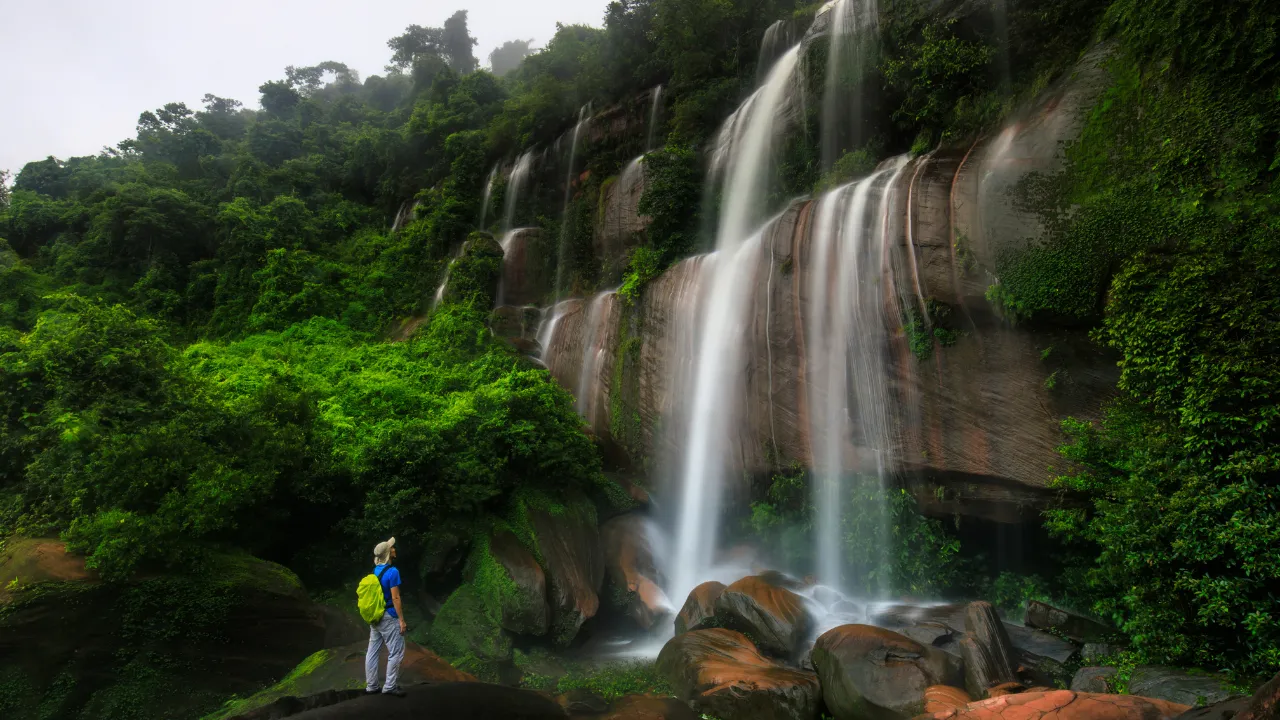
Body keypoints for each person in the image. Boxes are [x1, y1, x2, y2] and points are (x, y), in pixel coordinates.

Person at [365, 537, 407, 696]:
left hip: (376, 615)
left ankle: (371, 686)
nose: (394, 548)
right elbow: (396, 598)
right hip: (389, 616)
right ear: (389, 553)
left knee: (372, 651)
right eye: (392, 548)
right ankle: (389, 687)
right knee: (396, 651)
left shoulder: (375, 571)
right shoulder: (392, 572)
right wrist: (401, 620)